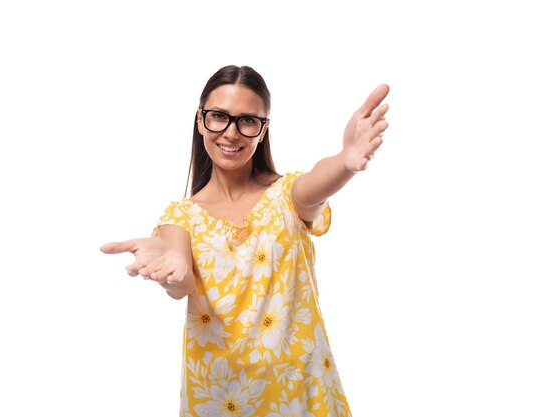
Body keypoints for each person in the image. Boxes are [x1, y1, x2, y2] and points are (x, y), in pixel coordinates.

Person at [101, 65, 389, 416]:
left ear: (263, 129)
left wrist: (345, 161)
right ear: (199, 120)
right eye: (218, 117)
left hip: (301, 393)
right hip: (219, 399)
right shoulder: (181, 216)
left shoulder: (286, 196)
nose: (231, 133)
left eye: (247, 121)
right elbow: (180, 282)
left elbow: (316, 185)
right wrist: (171, 267)